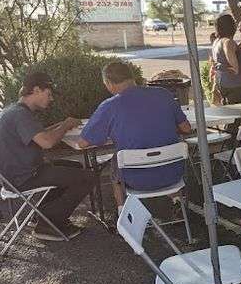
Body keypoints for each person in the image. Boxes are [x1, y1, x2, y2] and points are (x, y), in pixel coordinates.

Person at [0, 68, 95, 240]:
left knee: (74, 167)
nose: (51, 99)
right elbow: (47, 142)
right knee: (88, 177)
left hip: (15, 175)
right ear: (37, 90)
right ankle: (49, 224)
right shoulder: (20, 115)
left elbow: (39, 134)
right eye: (49, 94)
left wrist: (61, 124)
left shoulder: (14, 111)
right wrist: (66, 125)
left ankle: (42, 216)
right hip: (24, 177)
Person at [78, 60, 192, 207]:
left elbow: (83, 143)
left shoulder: (109, 106)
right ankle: (177, 202)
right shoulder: (163, 94)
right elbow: (186, 128)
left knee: (117, 161)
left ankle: (123, 210)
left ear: (109, 83)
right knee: (165, 150)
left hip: (135, 178)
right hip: (173, 174)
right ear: (132, 77)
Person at [211, 13, 241, 105]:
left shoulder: (217, 41)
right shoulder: (228, 42)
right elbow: (235, 68)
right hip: (235, 86)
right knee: (237, 112)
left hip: (223, 82)